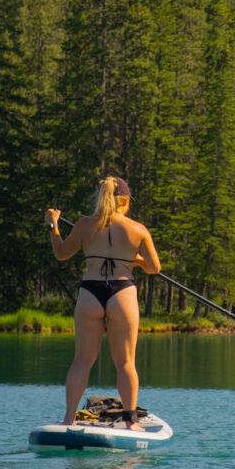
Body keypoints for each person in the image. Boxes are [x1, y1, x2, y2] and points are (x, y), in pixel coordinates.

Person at [47, 175, 161, 430]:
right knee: (126, 363)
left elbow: (61, 253)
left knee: (81, 361)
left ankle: (68, 419)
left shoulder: (85, 225)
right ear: (125, 201)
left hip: (90, 292)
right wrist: (135, 260)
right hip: (122, 293)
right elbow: (155, 268)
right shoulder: (137, 228)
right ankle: (130, 422)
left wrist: (53, 225)